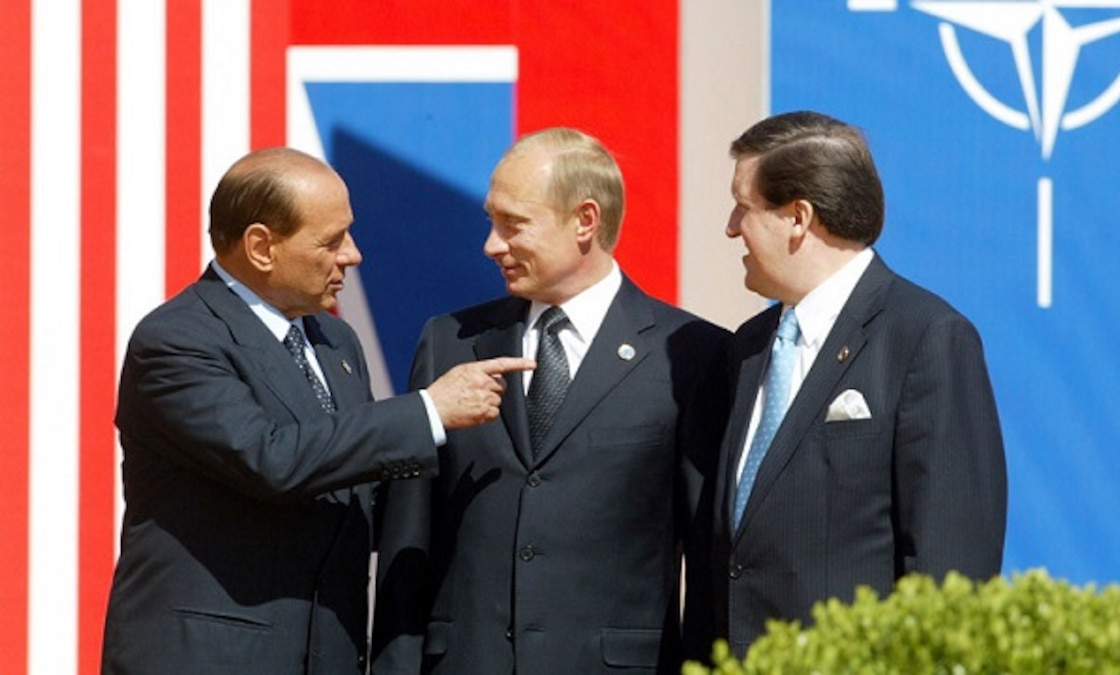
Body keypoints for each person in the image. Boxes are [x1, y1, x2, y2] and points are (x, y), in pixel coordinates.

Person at [100, 147, 533, 674]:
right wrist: (427, 412)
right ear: (261, 247)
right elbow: (270, 459)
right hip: (213, 657)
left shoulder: (333, 340)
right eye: (331, 241)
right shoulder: (179, 340)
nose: (353, 255)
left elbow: (357, 483)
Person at [371, 127, 731, 674]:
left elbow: (709, 554)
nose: (491, 244)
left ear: (585, 220)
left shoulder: (692, 355)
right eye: (492, 220)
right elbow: (408, 534)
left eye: (512, 224)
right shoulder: (449, 340)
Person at [710, 111, 1007, 657]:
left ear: (798, 217)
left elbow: (952, 572)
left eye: (743, 208)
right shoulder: (747, 348)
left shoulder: (927, 339)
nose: (731, 228)